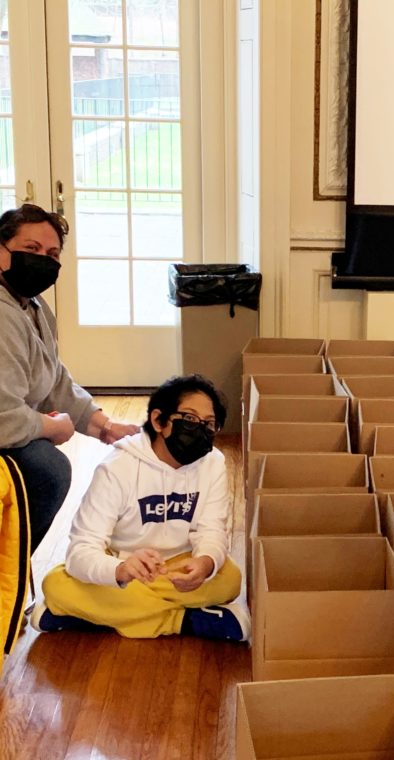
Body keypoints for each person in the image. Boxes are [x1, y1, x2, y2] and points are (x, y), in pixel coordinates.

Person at [30, 374, 250, 642]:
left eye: (209, 424)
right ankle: (185, 620)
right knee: (56, 585)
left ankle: (89, 615)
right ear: (159, 421)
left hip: (178, 568)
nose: (200, 429)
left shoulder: (213, 463)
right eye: (189, 419)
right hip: (125, 567)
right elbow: (81, 551)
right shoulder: (117, 468)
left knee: (229, 578)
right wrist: (120, 570)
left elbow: (212, 530)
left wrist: (205, 562)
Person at [0, 203, 140, 552]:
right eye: (30, 250)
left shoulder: (31, 304)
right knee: (47, 470)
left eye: (52, 253)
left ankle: (12, 576)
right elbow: (2, 418)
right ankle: (9, 575)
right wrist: (52, 427)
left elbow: (52, 376)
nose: (43, 260)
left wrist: (102, 425)